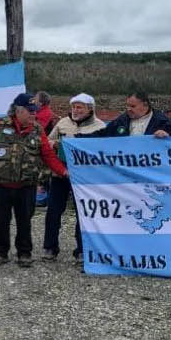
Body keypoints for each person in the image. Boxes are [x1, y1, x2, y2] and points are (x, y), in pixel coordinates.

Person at [0, 93, 68, 266]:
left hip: (26, 185)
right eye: (30, 111)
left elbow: (48, 155)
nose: (33, 115)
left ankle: (24, 253)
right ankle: (0, 252)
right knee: (0, 219)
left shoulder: (37, 130)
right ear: (18, 111)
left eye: (34, 111)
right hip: (0, 184)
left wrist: (63, 171)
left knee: (25, 220)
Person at [44, 92, 105, 262]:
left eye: (79, 107)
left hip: (85, 177)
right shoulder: (63, 123)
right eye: (73, 107)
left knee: (83, 214)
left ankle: (82, 249)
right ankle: (50, 247)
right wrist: (54, 144)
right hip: (60, 174)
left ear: (90, 109)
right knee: (53, 212)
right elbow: (47, 142)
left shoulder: (100, 126)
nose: (75, 110)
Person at [100, 90, 171, 138]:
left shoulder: (164, 122)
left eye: (132, 106)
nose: (128, 109)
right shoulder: (121, 120)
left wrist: (168, 136)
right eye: (127, 106)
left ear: (145, 105)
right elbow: (102, 135)